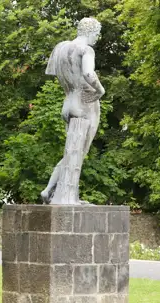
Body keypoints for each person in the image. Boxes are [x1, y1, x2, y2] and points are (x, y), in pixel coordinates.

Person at [41, 17, 105, 205]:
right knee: (78, 153)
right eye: (97, 34)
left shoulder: (61, 48)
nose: (97, 38)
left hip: (68, 103)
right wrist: (100, 90)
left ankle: (49, 190)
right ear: (92, 32)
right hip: (85, 103)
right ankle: (68, 198)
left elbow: (56, 73)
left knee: (71, 152)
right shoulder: (86, 49)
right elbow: (88, 73)